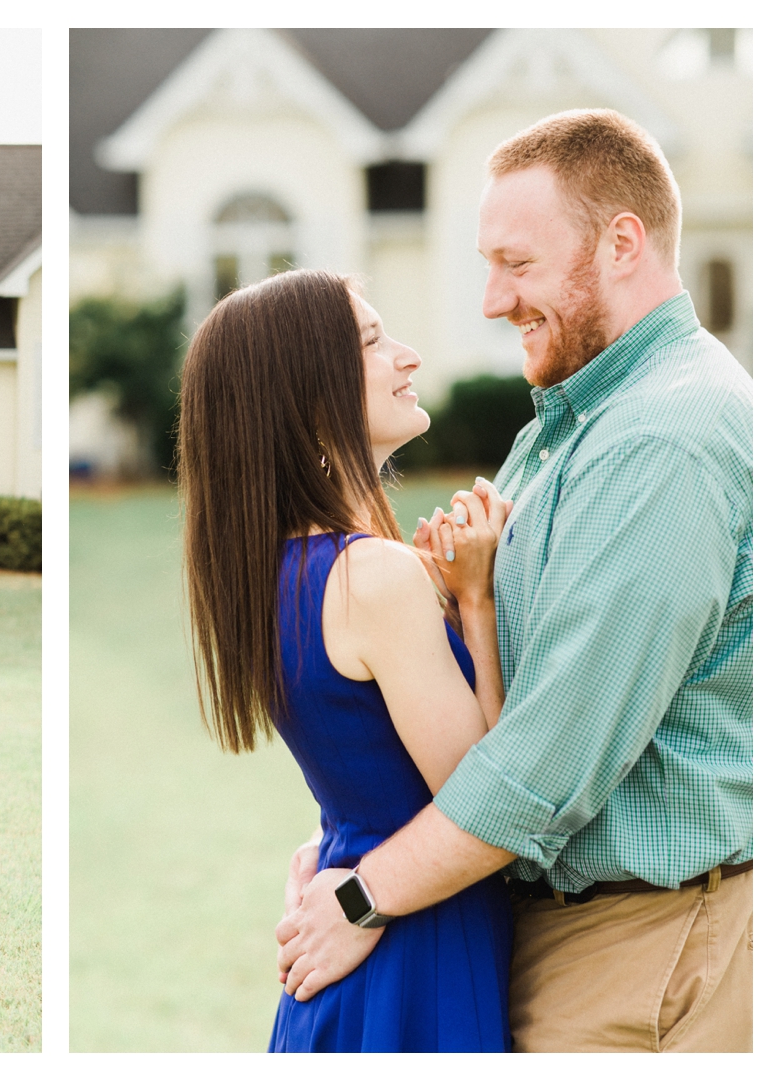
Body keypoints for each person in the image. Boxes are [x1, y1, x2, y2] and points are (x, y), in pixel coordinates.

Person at [277, 109, 752, 1053]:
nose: (493, 300)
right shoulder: (572, 423)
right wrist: (357, 823)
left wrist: (367, 887)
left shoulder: (664, 439)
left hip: (645, 951)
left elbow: (545, 766)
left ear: (622, 244)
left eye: (518, 264)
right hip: (554, 930)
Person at [180, 266, 517, 1051]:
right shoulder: (373, 576)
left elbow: (360, 763)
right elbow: (490, 797)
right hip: (418, 947)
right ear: (309, 391)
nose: (408, 357)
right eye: (372, 341)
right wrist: (476, 601)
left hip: (355, 936)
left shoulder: (272, 570)